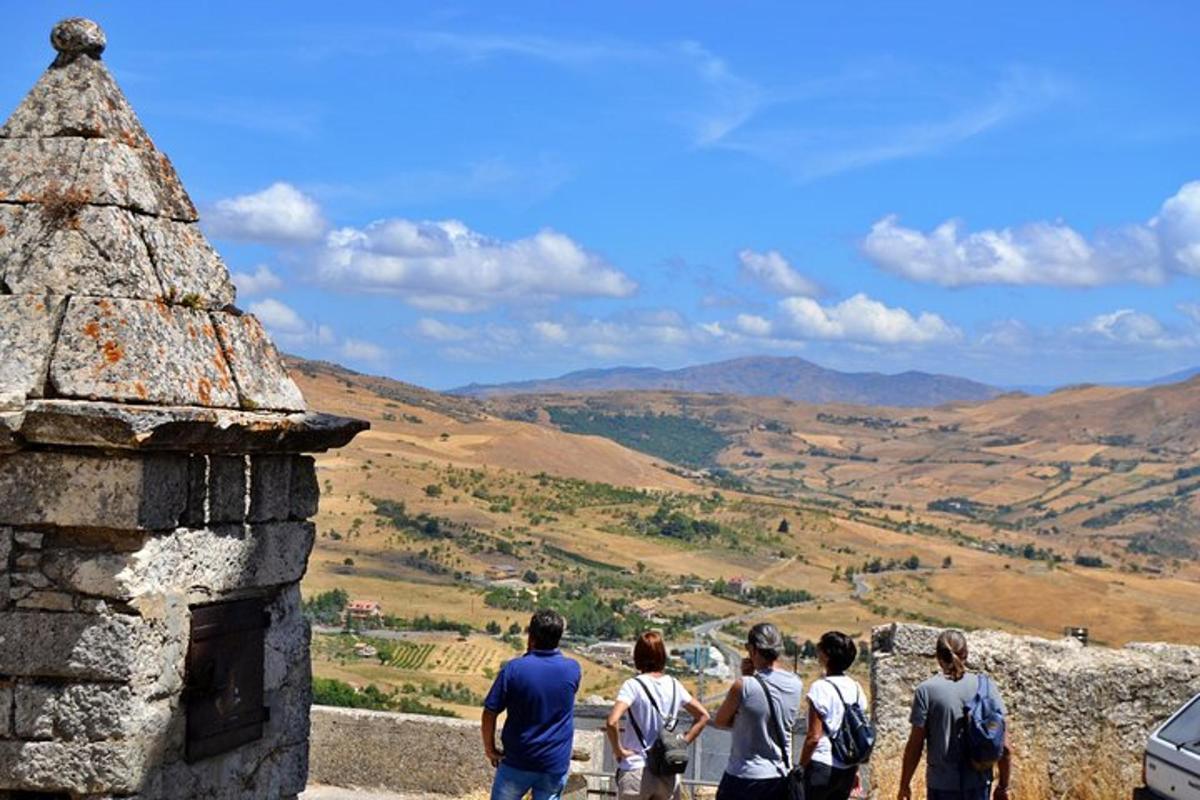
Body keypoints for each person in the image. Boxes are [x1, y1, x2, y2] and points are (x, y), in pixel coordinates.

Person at [897, 630, 1012, 800]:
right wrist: (1003, 786)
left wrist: (904, 785)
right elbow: (1005, 747)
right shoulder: (987, 686)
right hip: (979, 784)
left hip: (941, 785)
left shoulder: (926, 691)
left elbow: (915, 745)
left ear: (937, 656)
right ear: (966, 653)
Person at [482, 609, 582, 800]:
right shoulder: (573, 669)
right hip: (554, 763)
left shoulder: (513, 669)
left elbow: (490, 712)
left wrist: (490, 749)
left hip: (517, 761)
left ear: (531, 637)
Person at [605, 631, 711, 800]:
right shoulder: (675, 685)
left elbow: (612, 721)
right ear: (662, 655)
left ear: (637, 656)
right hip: (666, 770)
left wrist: (619, 751)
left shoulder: (633, 686)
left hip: (636, 769)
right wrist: (682, 742)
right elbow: (703, 716)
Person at [712, 622, 804, 800]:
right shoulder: (796, 684)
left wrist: (746, 676)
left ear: (754, 650)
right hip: (778, 776)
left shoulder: (744, 686)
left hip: (743, 776)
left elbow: (720, 720)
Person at [799, 631, 865, 800]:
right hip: (847, 768)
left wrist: (800, 767)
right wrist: (856, 769)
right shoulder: (856, 688)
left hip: (822, 764)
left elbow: (814, 736)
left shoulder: (820, 688)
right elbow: (856, 733)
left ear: (827, 655)